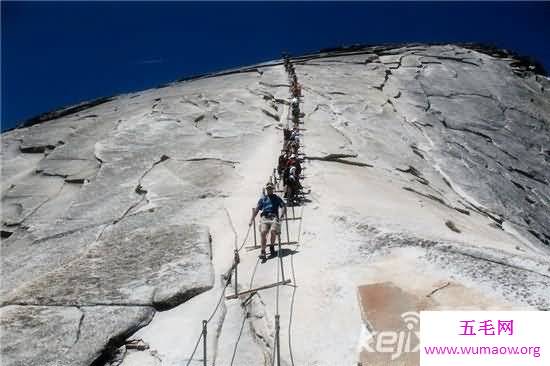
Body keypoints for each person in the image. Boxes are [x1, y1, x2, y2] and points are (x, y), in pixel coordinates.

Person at [250, 182, 286, 261]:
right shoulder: (263, 199)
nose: (269, 190)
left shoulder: (276, 198)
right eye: (268, 188)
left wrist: (282, 215)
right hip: (265, 217)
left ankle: (272, 246)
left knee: (273, 231)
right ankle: (263, 251)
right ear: (266, 189)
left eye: (270, 188)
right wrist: (252, 219)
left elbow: (283, 205)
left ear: (273, 189)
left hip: (273, 217)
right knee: (263, 232)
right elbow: (257, 209)